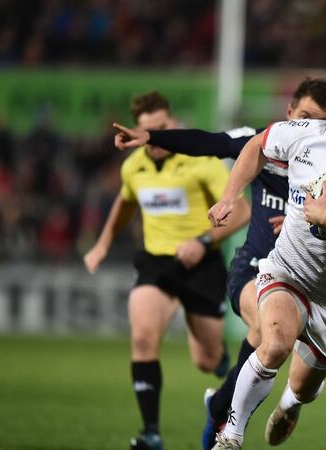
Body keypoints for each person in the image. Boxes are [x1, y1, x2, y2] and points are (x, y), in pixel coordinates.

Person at [112, 78, 326, 449]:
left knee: (286, 359)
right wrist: (153, 137)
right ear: (289, 113)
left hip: (306, 277)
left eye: (320, 121)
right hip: (254, 270)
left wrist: (314, 221)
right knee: (271, 330)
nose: (310, 128)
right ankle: (226, 429)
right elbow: (208, 142)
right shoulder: (262, 142)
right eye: (305, 117)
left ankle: (221, 405)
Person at [206, 67, 326, 450]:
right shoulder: (301, 134)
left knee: (303, 389)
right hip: (287, 272)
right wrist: (231, 195)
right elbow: (256, 146)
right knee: (274, 344)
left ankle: (290, 406)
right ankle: (231, 434)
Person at [83, 91, 251, 450]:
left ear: (172, 124)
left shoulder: (201, 162)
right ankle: (151, 433)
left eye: (162, 128)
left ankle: (218, 356)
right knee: (143, 337)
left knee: (207, 360)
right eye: (150, 130)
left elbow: (241, 212)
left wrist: (203, 242)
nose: (156, 138)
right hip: (156, 263)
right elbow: (125, 205)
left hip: (201, 263)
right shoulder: (133, 167)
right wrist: (101, 244)